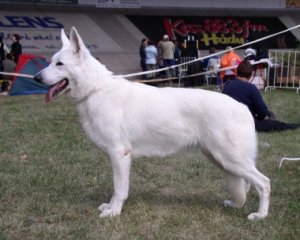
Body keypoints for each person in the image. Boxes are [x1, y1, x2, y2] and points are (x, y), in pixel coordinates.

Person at [222, 60, 300, 132]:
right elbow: (263, 112)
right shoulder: (251, 88)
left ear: (237, 72)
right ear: (251, 74)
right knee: (277, 124)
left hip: (229, 122)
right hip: (248, 123)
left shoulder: (226, 87)